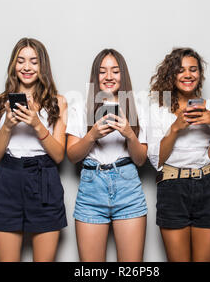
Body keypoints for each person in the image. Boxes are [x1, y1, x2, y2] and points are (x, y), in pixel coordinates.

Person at [0, 37, 68, 261]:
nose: (26, 67)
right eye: (21, 60)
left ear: (42, 66)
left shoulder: (57, 102)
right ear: (14, 65)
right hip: (8, 180)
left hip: (45, 180)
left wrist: (36, 123)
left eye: (33, 61)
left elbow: (59, 155)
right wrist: (8, 126)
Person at [147, 47, 210, 262]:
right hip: (172, 189)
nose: (188, 75)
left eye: (193, 69)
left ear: (200, 74)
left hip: (207, 187)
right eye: (181, 70)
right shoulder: (158, 109)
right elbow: (157, 160)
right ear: (171, 75)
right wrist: (175, 128)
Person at [66, 49, 148, 261]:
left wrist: (129, 133)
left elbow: (140, 160)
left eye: (115, 71)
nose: (109, 77)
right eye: (102, 72)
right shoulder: (80, 108)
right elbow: (72, 156)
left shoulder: (137, 106)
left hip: (127, 186)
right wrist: (92, 135)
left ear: (124, 75)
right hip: (91, 188)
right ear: (95, 77)